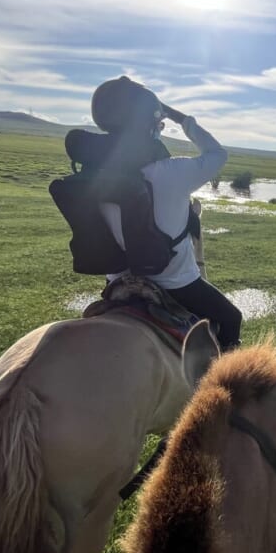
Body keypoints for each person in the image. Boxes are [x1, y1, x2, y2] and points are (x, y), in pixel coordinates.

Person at [90, 75, 243, 349]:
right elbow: (217, 154)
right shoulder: (172, 172)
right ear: (149, 126)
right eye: (157, 124)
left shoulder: (91, 174)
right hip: (174, 280)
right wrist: (180, 118)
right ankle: (226, 386)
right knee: (232, 318)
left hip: (117, 279)